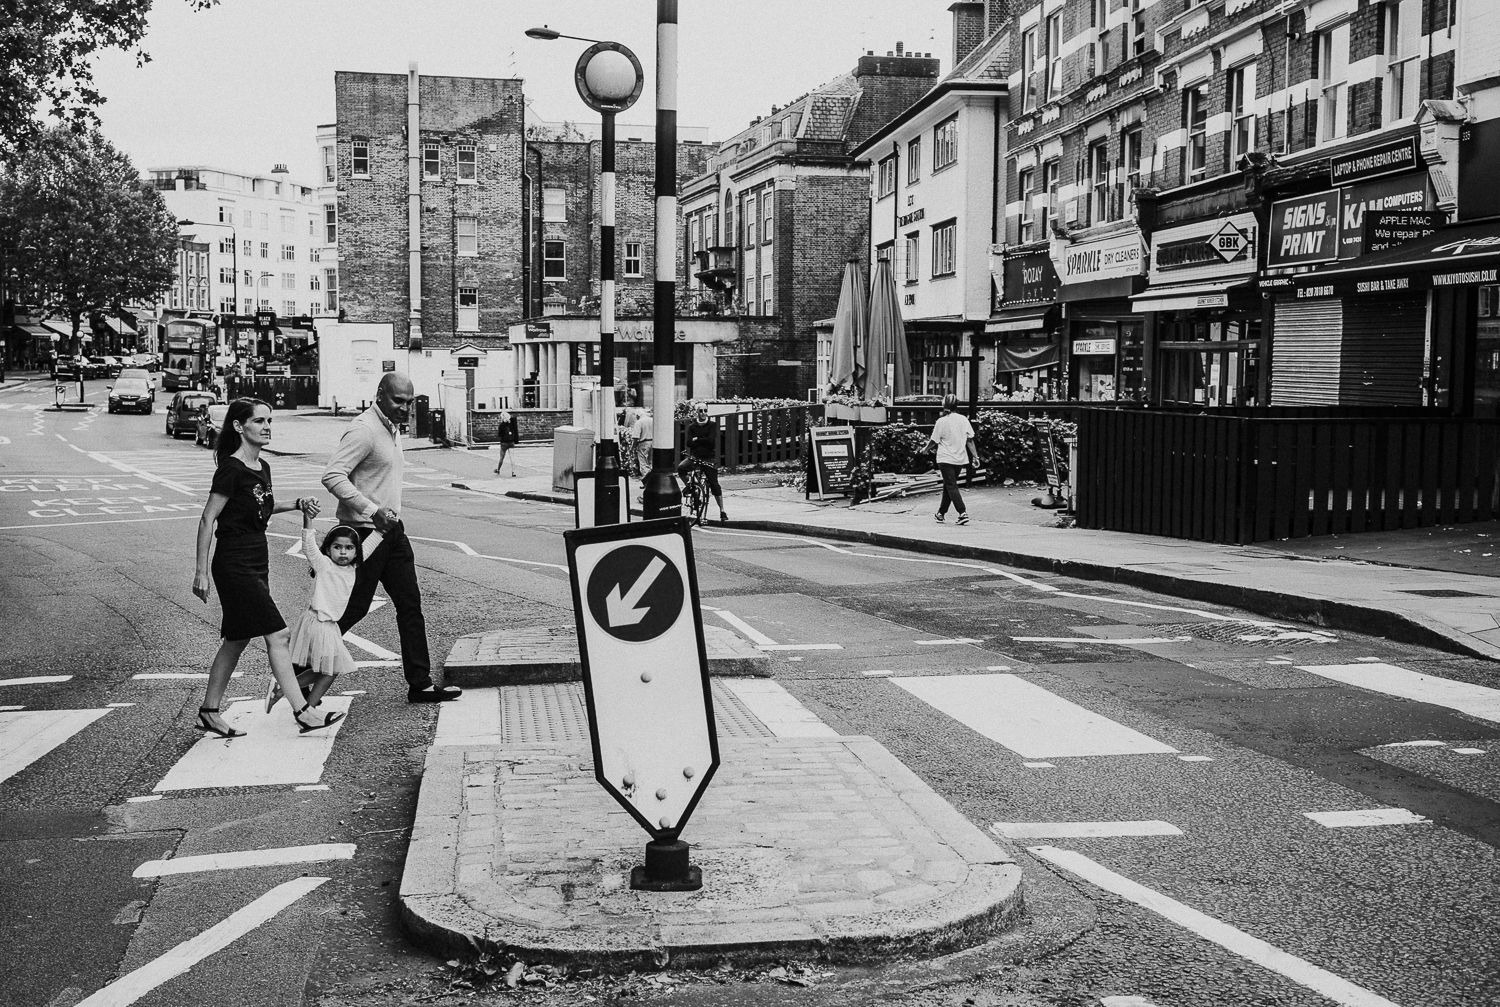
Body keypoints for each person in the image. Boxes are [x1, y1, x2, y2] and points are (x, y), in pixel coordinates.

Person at [192, 398, 346, 737]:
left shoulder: (262, 467)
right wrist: (200, 571)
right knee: (278, 634)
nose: (267, 427)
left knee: (236, 639)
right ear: (239, 426)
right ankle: (303, 711)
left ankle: (209, 710)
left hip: (256, 558)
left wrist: (296, 504)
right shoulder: (230, 469)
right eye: (259, 421)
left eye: (269, 421)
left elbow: (260, 507)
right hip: (233, 563)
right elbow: (208, 518)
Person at [322, 372, 461, 703]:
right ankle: (300, 667)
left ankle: (421, 683)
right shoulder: (365, 430)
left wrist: (385, 517)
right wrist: (372, 510)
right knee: (353, 608)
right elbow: (332, 475)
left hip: (392, 531)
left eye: (409, 402)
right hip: (365, 532)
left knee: (410, 605)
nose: (405, 407)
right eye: (398, 400)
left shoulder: (391, 429)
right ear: (380, 395)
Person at [267, 514, 379, 714]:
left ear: (356, 552)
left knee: (326, 670)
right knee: (330, 670)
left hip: (328, 625)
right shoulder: (324, 565)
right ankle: (306, 710)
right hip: (318, 622)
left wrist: (382, 530)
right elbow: (309, 545)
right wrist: (307, 519)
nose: (343, 552)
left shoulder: (353, 566)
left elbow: (370, 546)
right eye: (337, 547)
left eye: (349, 548)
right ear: (328, 550)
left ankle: (289, 692)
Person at [926, 393, 975, 526]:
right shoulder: (963, 419)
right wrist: (975, 456)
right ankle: (941, 513)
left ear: (943, 405)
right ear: (956, 405)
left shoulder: (941, 421)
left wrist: (925, 449)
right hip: (960, 457)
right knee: (949, 485)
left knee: (951, 485)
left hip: (945, 457)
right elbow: (970, 440)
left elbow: (934, 440)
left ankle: (962, 512)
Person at [677, 402, 728, 522]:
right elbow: (688, 443)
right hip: (694, 457)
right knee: (681, 468)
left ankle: (722, 510)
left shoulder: (712, 425)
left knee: (714, 484)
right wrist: (698, 440)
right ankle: (691, 487)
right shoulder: (692, 427)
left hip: (708, 458)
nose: (703, 413)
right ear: (697, 412)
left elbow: (711, 441)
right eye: (701, 411)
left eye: (705, 411)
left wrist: (697, 439)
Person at [630, 406, 654, 484]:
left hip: (643, 443)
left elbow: (636, 437)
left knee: (643, 463)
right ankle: (652, 480)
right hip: (653, 442)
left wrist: (632, 447)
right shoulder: (652, 420)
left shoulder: (639, 422)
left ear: (637, 415)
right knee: (651, 462)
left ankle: (647, 481)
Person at [494, 408, 519, 476]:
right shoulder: (511, 424)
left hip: (504, 443)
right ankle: (514, 472)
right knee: (512, 457)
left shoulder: (501, 425)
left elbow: (499, 435)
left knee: (501, 457)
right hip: (511, 442)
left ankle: (498, 470)